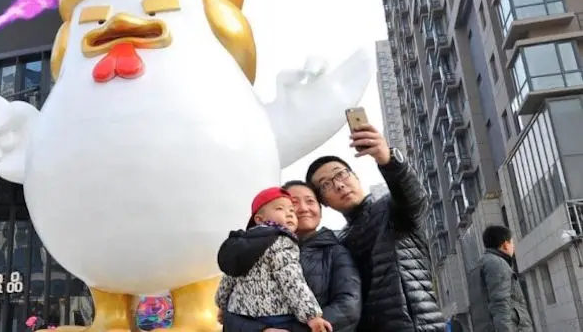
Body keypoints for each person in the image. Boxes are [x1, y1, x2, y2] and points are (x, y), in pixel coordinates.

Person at [305, 123, 444, 332]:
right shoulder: (338, 244)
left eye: (341, 174)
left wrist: (387, 159)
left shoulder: (390, 208)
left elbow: (415, 200)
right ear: (323, 202)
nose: (339, 185)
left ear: (355, 176)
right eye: (325, 185)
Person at [221, 183, 361, 332]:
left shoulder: (336, 252)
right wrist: (261, 330)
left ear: (320, 209)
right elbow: (228, 314)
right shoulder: (254, 247)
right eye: (293, 204)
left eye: (310, 201)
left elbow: (348, 309)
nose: (302, 208)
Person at [468, 225, 534, 332]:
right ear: (505, 245)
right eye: (512, 242)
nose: (513, 246)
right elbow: (501, 305)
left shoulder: (476, 268)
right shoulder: (498, 264)